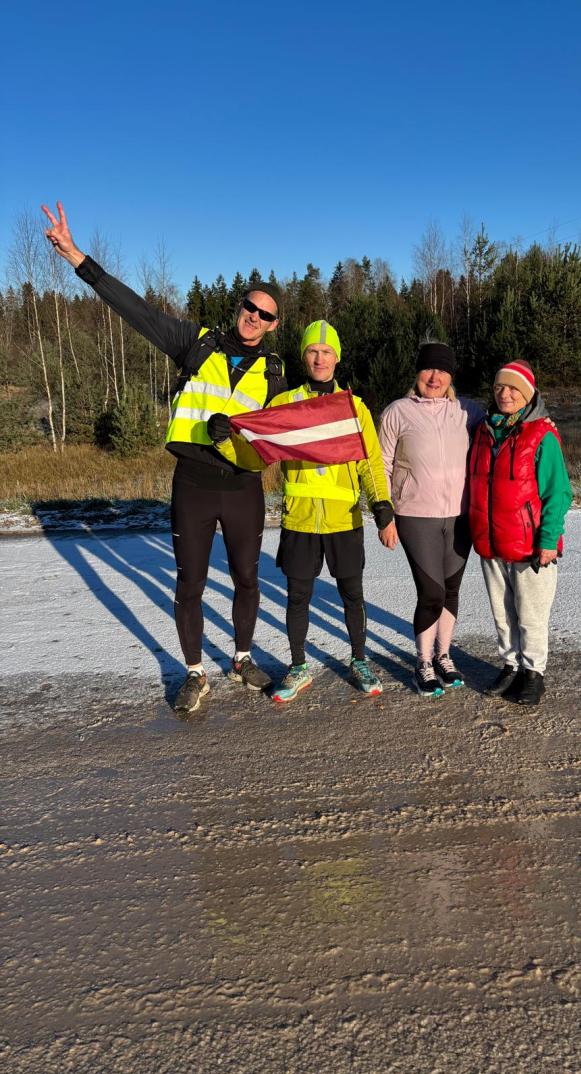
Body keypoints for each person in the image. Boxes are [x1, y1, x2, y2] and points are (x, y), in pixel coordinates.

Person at [42, 202, 287, 714]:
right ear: (239, 304)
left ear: (273, 325)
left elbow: (278, 440)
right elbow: (136, 310)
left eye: (266, 314)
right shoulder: (196, 343)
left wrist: (241, 436)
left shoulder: (275, 372)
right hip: (193, 482)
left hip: (243, 487)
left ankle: (241, 658)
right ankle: (195, 672)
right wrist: (76, 258)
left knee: (247, 577)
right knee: (190, 582)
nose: (254, 316)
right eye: (250, 305)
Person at [267, 321, 395, 702]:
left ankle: (359, 660)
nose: (319, 358)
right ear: (303, 356)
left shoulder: (353, 408)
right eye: (312, 351)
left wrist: (383, 509)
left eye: (326, 351)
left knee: (352, 595)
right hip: (300, 519)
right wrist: (228, 436)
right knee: (297, 597)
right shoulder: (285, 404)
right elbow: (256, 448)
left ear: (337, 358)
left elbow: (370, 463)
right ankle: (298, 667)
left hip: (344, 521)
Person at [378, 341, 484, 696]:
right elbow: (381, 465)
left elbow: (505, 425)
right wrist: (385, 514)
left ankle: (443, 656)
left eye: (441, 370)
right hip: (414, 515)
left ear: (451, 375)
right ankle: (422, 663)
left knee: (451, 589)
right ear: (417, 373)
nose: (434, 376)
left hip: (460, 515)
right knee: (431, 593)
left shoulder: (468, 412)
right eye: (428, 369)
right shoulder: (397, 412)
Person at [468, 360, 572, 707]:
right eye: (500, 387)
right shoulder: (483, 430)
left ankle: (534, 673)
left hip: (530, 545)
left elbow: (558, 493)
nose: (505, 394)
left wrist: (548, 541)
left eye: (513, 388)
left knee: (530, 614)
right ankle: (510, 665)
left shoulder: (542, 433)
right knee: (502, 612)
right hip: (491, 541)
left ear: (527, 394)